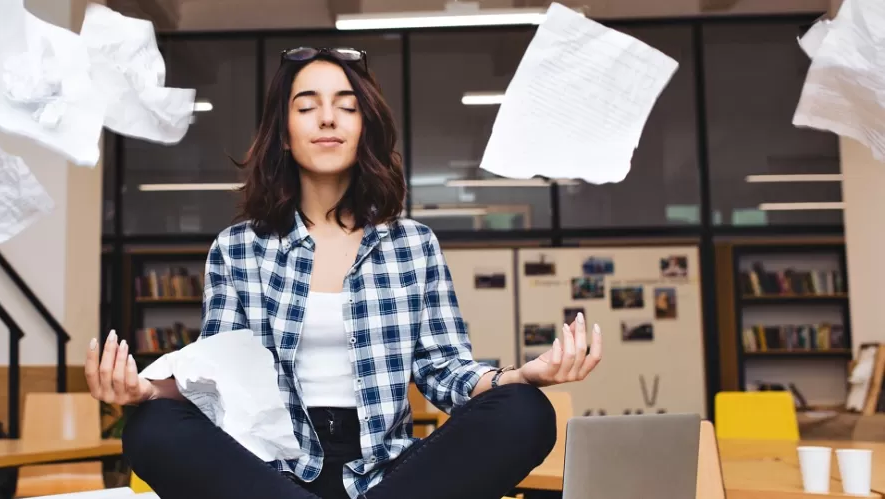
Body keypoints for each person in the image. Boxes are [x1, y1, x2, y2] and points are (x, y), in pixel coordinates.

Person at [85, 46, 604, 499]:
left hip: (390, 475)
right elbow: (220, 378)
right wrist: (147, 392)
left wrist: (520, 377)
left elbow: (445, 371)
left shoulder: (412, 245)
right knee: (150, 428)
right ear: (284, 135)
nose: (327, 120)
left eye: (346, 107)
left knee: (526, 412)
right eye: (307, 107)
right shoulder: (238, 248)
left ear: (365, 129)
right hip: (273, 475)